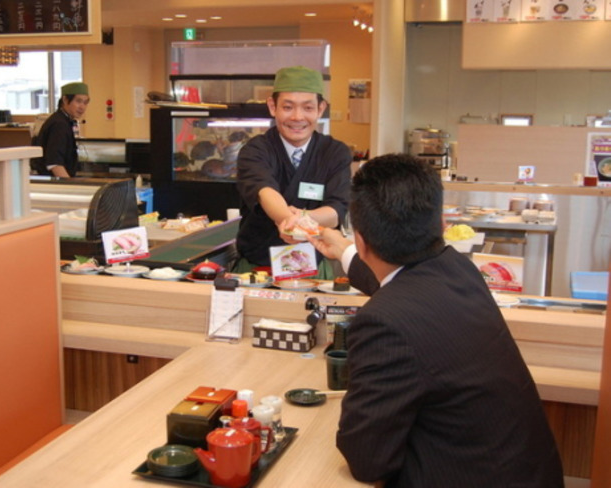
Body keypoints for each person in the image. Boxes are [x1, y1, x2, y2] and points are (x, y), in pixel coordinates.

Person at [309, 154, 564, 488]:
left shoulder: (384, 323)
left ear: (362, 240)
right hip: (525, 473)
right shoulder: (457, 268)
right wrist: (344, 249)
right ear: (441, 223)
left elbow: (367, 460)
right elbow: (400, 284)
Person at [234, 65, 352, 273]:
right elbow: (265, 191)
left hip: (313, 269)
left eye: (308, 108)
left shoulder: (334, 152)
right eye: (288, 107)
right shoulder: (256, 150)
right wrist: (289, 221)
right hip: (258, 269)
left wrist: (299, 221)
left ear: (320, 109)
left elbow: (336, 211)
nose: (298, 117)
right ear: (273, 107)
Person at [32, 82, 90, 177]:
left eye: (85, 102)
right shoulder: (59, 124)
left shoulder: (63, 120)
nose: (82, 107)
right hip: (52, 181)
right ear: (65, 100)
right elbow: (54, 164)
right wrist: (69, 184)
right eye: (78, 101)